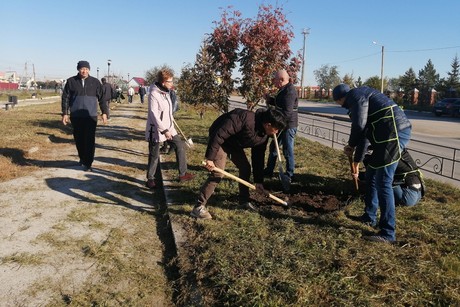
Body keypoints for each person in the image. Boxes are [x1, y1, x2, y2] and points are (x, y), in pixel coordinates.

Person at [333, 83, 412, 243]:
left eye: (338, 103)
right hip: (384, 136)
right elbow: (364, 135)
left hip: (393, 133)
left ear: (340, 99)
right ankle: (369, 217)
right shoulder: (359, 99)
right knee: (371, 175)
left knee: (383, 182)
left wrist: (351, 145)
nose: (340, 106)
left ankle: (388, 233)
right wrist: (356, 160)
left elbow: (359, 125)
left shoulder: (355, 96)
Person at [191, 108, 287, 220]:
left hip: (234, 143)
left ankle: (243, 201)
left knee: (245, 168)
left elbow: (258, 157)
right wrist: (210, 158)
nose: (276, 132)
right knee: (217, 173)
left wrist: (258, 181)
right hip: (220, 140)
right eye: (276, 129)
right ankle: (198, 207)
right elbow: (219, 134)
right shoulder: (244, 118)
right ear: (268, 124)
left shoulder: (264, 135)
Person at [145, 68, 194, 189]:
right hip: (156, 129)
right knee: (154, 154)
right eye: (170, 81)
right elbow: (153, 114)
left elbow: (168, 111)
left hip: (169, 127)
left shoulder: (166, 92)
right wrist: (164, 130)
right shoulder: (154, 94)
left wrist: (170, 126)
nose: (172, 84)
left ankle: (183, 174)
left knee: (180, 146)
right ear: (163, 82)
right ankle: (150, 178)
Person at [61, 60, 108, 172]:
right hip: (76, 115)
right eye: (82, 69)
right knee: (79, 139)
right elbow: (65, 98)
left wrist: (104, 112)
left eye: (86, 69)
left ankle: (88, 162)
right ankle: (82, 158)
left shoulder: (95, 82)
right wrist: (65, 113)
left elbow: (102, 99)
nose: (84, 71)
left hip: (91, 115)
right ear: (78, 69)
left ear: (89, 70)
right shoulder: (71, 81)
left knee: (89, 139)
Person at [264, 69, 298, 187]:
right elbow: (280, 104)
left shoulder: (290, 91)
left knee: (287, 151)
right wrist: (271, 100)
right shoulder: (283, 89)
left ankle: (289, 174)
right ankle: (269, 171)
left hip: (287, 126)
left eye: (275, 79)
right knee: (273, 147)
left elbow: (287, 113)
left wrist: (276, 124)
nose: (274, 82)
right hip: (281, 124)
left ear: (282, 80)